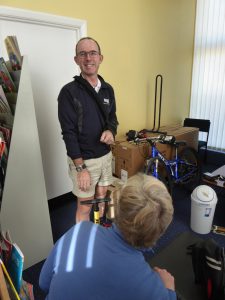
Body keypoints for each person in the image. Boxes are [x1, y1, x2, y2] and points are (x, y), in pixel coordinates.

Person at [39, 173, 177, 300]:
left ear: (116, 206)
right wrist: (169, 290)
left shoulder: (80, 230)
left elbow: (43, 283)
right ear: (159, 231)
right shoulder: (152, 288)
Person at [58, 37, 118, 223]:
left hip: (105, 157)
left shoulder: (108, 89)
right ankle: (83, 243)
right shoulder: (69, 92)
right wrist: (80, 168)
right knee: (85, 206)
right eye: (82, 54)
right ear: (76, 60)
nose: (88, 58)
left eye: (92, 53)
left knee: (101, 198)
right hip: (85, 161)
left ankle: (98, 231)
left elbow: (113, 118)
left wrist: (111, 131)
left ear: (101, 58)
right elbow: (68, 133)